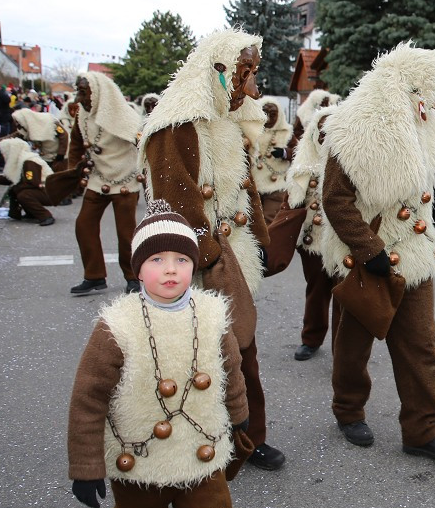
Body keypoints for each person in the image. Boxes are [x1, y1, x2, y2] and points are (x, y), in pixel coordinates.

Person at [67, 210, 251, 508]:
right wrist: (86, 466)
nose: (171, 270)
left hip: (202, 451)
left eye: (181, 260)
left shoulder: (213, 314)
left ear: (193, 265)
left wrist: (238, 415)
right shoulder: (117, 324)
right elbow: (89, 396)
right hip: (139, 456)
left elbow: (231, 370)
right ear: (138, 269)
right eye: (157, 260)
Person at [139, 28, 283, 472]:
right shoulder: (178, 126)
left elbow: (245, 189)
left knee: (244, 350)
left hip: (234, 260)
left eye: (254, 74)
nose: (253, 88)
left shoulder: (226, 122)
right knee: (202, 357)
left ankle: (248, 437)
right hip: (201, 267)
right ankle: (199, 444)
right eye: (246, 75)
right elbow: (172, 200)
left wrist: (262, 241)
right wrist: (211, 259)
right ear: (220, 72)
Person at [320, 42, 435, 461]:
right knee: (354, 345)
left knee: (421, 344)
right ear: (412, 83)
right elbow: (335, 199)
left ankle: (422, 430)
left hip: (414, 255)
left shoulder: (424, 127)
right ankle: (348, 410)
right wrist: (370, 250)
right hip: (365, 257)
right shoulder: (355, 127)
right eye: (434, 80)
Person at [67, 72, 143, 295]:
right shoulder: (82, 114)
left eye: (83, 92)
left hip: (125, 179)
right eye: (78, 92)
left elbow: (143, 142)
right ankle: (94, 276)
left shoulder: (124, 114)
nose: (80, 98)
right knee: (84, 225)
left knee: (126, 233)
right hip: (97, 178)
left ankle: (133, 277)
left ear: (99, 92)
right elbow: (76, 144)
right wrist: (72, 173)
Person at [280, 97, 339, 361]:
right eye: (321, 131)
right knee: (316, 291)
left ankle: (344, 348)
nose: (326, 136)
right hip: (312, 239)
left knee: (345, 296)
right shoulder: (303, 163)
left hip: (343, 241)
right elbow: (290, 203)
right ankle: (311, 339)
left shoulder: (352, 162)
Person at [0, 138, 56, 226]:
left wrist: (16, 187)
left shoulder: (29, 161)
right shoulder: (21, 160)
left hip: (49, 192)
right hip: (44, 190)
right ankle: (31, 213)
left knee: (24, 195)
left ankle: (45, 216)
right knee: (18, 191)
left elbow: (33, 183)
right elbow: (11, 179)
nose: (4, 154)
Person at [249, 96, 291, 224]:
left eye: (273, 114)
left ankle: (269, 244)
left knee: (271, 218)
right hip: (253, 184)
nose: (269, 118)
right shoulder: (251, 131)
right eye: (265, 113)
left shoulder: (287, 133)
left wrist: (284, 153)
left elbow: (299, 152)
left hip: (275, 184)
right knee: (253, 220)